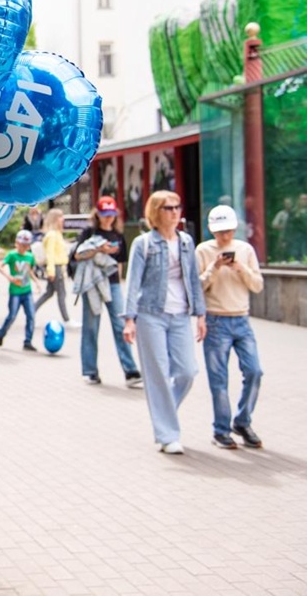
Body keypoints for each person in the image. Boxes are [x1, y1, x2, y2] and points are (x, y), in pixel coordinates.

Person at [123, 190, 206, 455]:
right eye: (168, 208)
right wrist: (129, 319)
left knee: (187, 372)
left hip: (180, 314)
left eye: (177, 207)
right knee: (157, 373)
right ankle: (168, 435)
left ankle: (163, 415)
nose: (175, 212)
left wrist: (201, 315)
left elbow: (193, 278)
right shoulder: (143, 243)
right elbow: (133, 282)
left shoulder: (186, 242)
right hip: (150, 314)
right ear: (156, 212)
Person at [195, 205, 265, 449]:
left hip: (242, 319)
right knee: (219, 380)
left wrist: (240, 268)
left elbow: (257, 285)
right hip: (216, 320)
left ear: (235, 228)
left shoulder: (245, 250)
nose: (223, 236)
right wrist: (214, 268)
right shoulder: (203, 251)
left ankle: (243, 421)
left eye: (227, 230)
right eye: (219, 231)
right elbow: (197, 288)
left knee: (255, 371)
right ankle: (221, 430)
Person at [74, 196, 143, 388]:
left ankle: (130, 371)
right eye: (105, 215)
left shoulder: (118, 235)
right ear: (98, 214)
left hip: (112, 284)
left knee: (121, 325)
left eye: (111, 215)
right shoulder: (89, 232)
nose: (108, 219)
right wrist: (97, 250)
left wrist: (120, 285)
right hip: (92, 284)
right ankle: (90, 370)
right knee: (90, 327)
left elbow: (120, 264)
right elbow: (77, 255)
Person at [0, 230, 39, 351]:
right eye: (23, 245)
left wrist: (37, 282)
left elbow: (29, 270)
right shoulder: (12, 255)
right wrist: (9, 277)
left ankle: (28, 341)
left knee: (31, 315)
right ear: (17, 243)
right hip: (15, 292)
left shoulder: (30, 256)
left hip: (27, 290)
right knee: (12, 315)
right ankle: (1, 332)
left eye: (27, 246)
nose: (25, 248)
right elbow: (0, 266)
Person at [33, 209, 78, 327]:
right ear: (55, 219)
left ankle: (31, 312)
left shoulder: (56, 234)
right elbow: (50, 254)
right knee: (61, 294)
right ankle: (66, 319)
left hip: (57, 267)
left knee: (49, 293)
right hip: (56, 268)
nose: (62, 219)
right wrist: (51, 271)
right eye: (60, 217)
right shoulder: (52, 235)